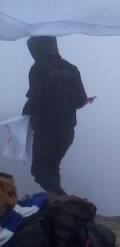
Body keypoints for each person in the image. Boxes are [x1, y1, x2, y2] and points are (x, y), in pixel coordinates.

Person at [22, 36, 94, 196]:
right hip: (67, 130)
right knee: (52, 168)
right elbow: (80, 100)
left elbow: (37, 99)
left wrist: (26, 111)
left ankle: (64, 201)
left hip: (46, 129)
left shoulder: (38, 68)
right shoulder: (72, 69)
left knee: (40, 171)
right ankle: (58, 206)